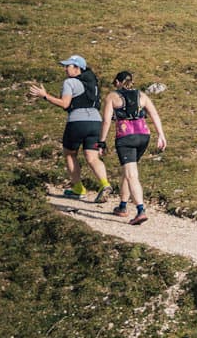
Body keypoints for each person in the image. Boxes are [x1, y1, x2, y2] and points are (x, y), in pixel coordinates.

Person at [27, 54, 110, 200]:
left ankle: (78, 188)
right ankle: (104, 184)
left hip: (77, 122)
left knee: (70, 154)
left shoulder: (70, 82)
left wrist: (45, 95)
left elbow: (65, 104)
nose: (65, 69)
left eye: (68, 66)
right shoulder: (93, 83)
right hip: (96, 121)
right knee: (92, 157)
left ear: (77, 68)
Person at [104, 71, 165, 224]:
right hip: (144, 136)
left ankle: (140, 210)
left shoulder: (112, 97)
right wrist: (161, 135)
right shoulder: (142, 95)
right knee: (128, 169)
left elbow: (106, 121)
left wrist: (101, 141)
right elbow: (154, 114)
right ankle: (123, 206)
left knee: (131, 175)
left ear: (118, 82)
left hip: (125, 137)